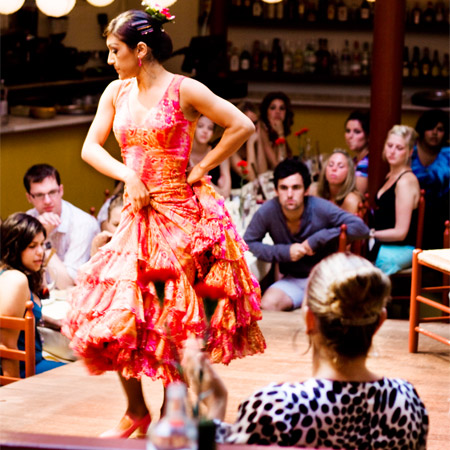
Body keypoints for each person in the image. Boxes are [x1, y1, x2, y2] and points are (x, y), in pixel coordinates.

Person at [61, 4, 265, 439]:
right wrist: (127, 174)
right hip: (137, 217)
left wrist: (201, 166)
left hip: (179, 217)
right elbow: (91, 148)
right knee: (115, 318)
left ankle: (190, 415)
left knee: (171, 322)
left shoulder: (184, 90)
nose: (110, 61)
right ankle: (137, 411)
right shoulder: (115, 93)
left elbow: (241, 125)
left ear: (140, 49)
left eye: (115, 51)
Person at [183, 252, 429, 449]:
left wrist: (215, 400)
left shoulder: (276, 409)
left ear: (310, 320)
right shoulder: (406, 404)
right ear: (379, 322)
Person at [243, 158, 369, 311]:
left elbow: (361, 229)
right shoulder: (268, 210)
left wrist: (318, 239)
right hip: (293, 280)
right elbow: (249, 242)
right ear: (276, 191)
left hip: (324, 278)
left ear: (306, 190)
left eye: (296, 187)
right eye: (284, 188)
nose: (289, 194)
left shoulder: (320, 207)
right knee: (267, 304)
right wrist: (286, 252)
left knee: (310, 311)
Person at [0, 213, 66, 378]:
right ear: (15, 247)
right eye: (32, 246)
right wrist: (15, 393)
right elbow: (6, 346)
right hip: (24, 371)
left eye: (42, 244)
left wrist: (56, 324)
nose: (40, 252)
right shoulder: (15, 279)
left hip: (34, 362)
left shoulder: (16, 273)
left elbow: (22, 314)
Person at [23, 164, 100, 289]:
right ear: (29, 198)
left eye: (52, 192)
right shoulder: (27, 220)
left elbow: (67, 285)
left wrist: (43, 241)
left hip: (74, 299)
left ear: (61, 190)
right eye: (39, 195)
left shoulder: (83, 223)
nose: (47, 200)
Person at [370, 125, 420, 275]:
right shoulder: (389, 176)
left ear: (410, 152)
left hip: (401, 248)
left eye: (399, 148)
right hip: (383, 244)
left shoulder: (405, 181)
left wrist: (370, 234)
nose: (392, 151)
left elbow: (401, 232)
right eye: (389, 145)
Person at [412, 109, 450, 249]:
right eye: (430, 128)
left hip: (443, 214)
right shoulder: (410, 151)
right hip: (411, 212)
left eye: (440, 129)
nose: (434, 133)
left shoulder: (448, 153)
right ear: (422, 129)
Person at [309, 149, 361, 215]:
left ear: (349, 173)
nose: (334, 169)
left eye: (340, 166)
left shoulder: (351, 200)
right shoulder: (314, 191)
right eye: (330, 165)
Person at [189, 115, 231, 198]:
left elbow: (225, 193)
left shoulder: (219, 152)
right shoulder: (183, 153)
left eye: (210, 128)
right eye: (200, 126)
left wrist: (202, 178)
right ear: (192, 127)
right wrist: (217, 189)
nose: (205, 131)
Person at [230, 101, 267, 188]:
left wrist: (259, 139)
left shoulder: (255, 138)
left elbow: (263, 174)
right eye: (248, 122)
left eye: (255, 123)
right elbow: (250, 177)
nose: (252, 127)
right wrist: (250, 143)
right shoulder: (230, 142)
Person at [259, 92, 294, 169]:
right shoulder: (261, 130)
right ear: (266, 112)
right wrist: (280, 133)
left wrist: (280, 134)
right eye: (272, 108)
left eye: (282, 108)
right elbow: (279, 167)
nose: (278, 112)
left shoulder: (276, 132)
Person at [344, 110, 370, 195]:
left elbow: (356, 196)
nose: (350, 136)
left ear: (368, 136)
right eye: (348, 131)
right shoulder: (354, 160)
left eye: (357, 132)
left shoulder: (366, 163)